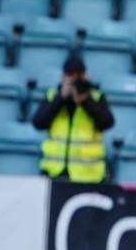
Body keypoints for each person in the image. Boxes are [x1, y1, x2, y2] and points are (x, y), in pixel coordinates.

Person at [33, 53, 114, 183]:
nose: (74, 81)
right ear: (63, 77)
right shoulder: (53, 95)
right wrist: (61, 98)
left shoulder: (96, 97)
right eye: (70, 75)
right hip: (54, 172)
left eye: (78, 76)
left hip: (88, 176)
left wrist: (85, 101)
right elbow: (38, 123)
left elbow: (107, 122)